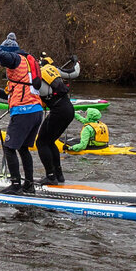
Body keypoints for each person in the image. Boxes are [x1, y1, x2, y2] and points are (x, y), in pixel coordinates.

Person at [0, 32, 44, 194]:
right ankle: (28, 185)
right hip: (36, 111)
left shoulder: (14, 59)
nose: (2, 63)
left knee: (9, 147)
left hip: (23, 111)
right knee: (23, 148)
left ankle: (15, 185)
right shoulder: (26, 62)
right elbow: (16, 92)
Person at [35, 53, 82, 185]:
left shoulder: (37, 75)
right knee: (50, 142)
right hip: (68, 109)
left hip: (59, 111)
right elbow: (74, 73)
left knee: (41, 142)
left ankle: (50, 177)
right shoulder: (54, 70)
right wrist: (76, 61)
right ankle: (58, 176)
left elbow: (35, 92)